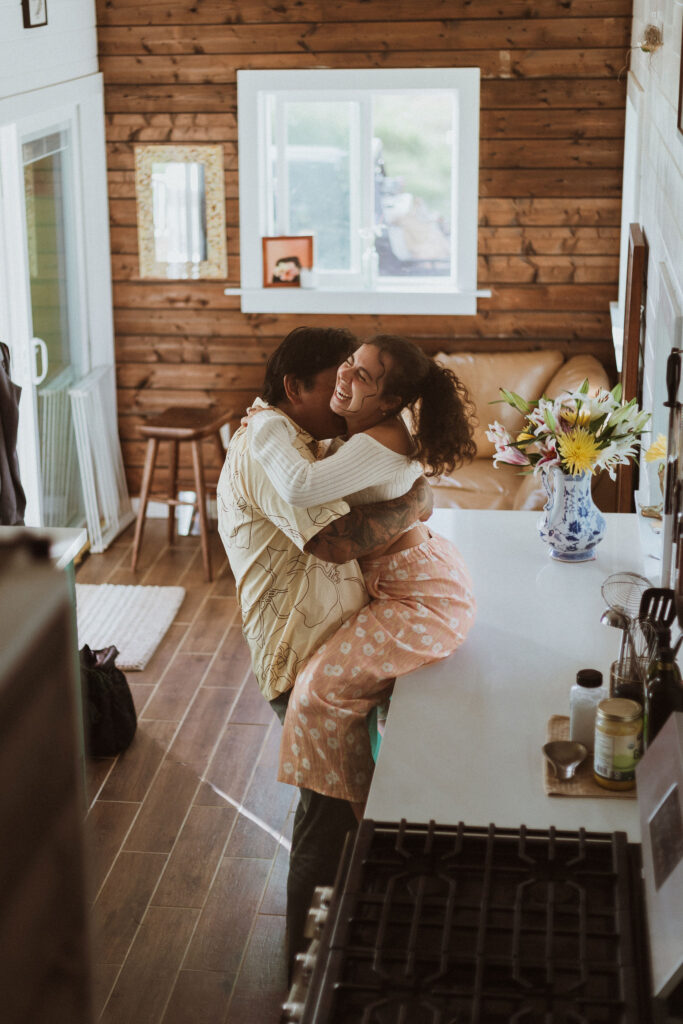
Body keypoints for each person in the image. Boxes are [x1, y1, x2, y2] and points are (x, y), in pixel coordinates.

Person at [217, 326, 434, 975]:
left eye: (357, 374)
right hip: (300, 659)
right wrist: (418, 499)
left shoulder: (307, 439)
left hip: (331, 649)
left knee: (351, 809)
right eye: (336, 375)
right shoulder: (270, 445)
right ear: (293, 388)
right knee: (326, 822)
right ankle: (305, 977)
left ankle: (350, 948)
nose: (344, 386)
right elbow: (337, 539)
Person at [246, 335, 477, 818]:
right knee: (329, 694)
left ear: (391, 401)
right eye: (348, 365)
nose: (343, 378)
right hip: (407, 581)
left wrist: (262, 427)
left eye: (363, 376)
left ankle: (362, 825)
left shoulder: (381, 439)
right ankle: (368, 820)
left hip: (417, 597)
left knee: (316, 693)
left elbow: (301, 486)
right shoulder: (369, 431)